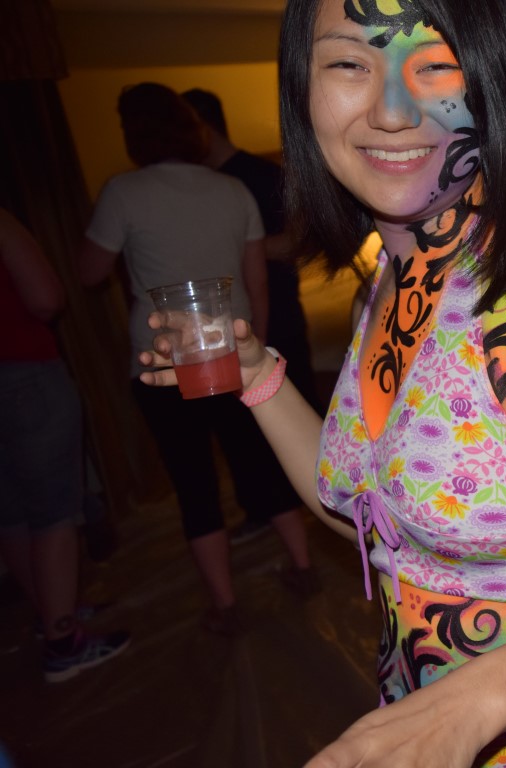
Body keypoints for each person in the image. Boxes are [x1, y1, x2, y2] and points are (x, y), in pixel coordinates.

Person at [141, 1, 506, 765]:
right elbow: (379, 528)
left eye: (436, 64)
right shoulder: (379, 292)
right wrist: (256, 373)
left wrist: (473, 702)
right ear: (302, 92)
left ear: (492, 82)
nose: (391, 111)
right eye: (349, 63)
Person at [77, 82, 317, 636]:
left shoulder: (123, 192)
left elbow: (88, 273)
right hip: (231, 351)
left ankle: (225, 605)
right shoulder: (232, 189)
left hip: (165, 361)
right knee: (259, 462)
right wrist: (257, 353)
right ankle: (305, 567)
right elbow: (258, 283)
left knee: (194, 481)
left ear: (132, 133)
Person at [181, 87, 323, 546]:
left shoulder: (260, 176)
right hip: (232, 325)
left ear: (202, 127)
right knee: (241, 429)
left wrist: (239, 249)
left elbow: (301, 240)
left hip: (277, 316)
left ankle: (318, 505)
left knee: (297, 412)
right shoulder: (198, 185)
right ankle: (266, 510)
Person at [0, 206, 130, 682]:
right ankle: (63, 640)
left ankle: (51, 615)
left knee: (12, 512)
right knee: (54, 511)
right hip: (21, 374)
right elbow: (45, 298)